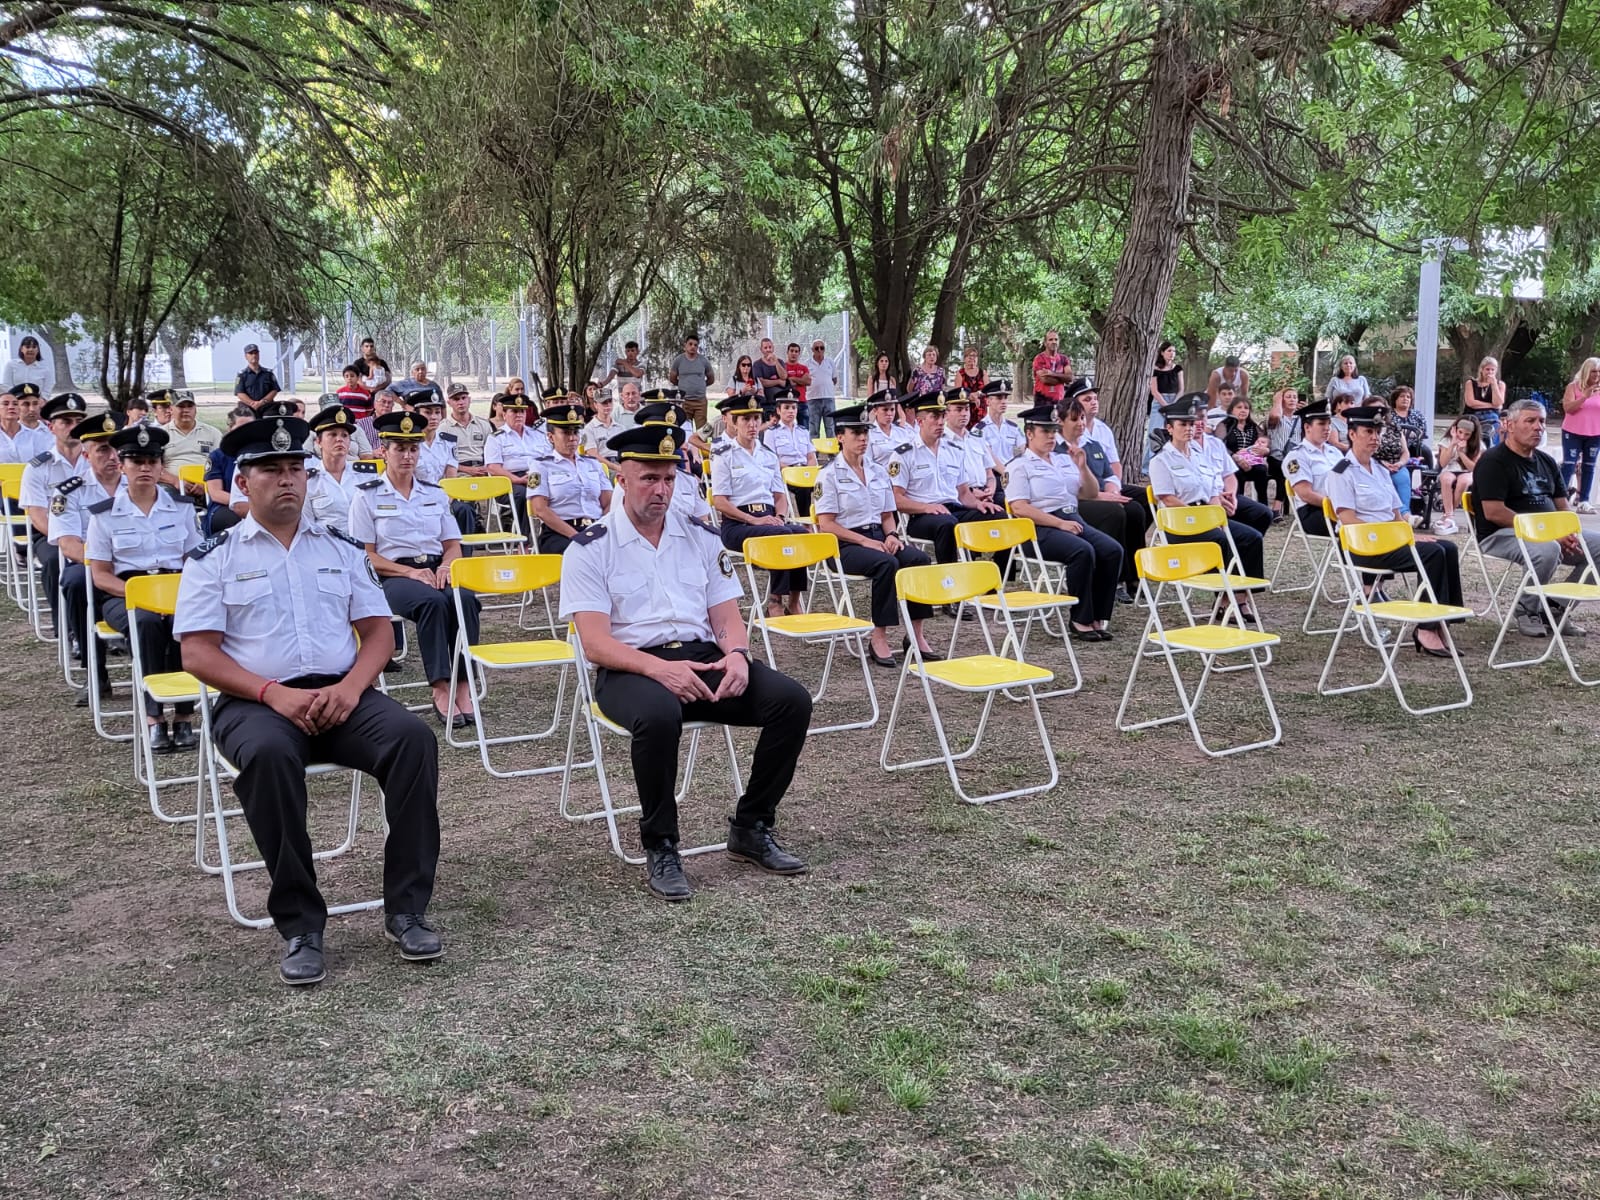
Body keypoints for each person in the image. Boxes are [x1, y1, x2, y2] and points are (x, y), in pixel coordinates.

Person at [175, 412, 443, 985]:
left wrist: (351, 688)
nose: (288, 479)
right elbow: (198, 654)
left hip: (342, 693)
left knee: (414, 740)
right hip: (255, 701)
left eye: (297, 467)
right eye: (272, 469)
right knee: (270, 758)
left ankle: (407, 909)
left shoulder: (340, 549)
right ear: (243, 482)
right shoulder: (214, 557)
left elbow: (379, 633)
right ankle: (301, 924)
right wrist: (272, 694)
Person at [559, 422, 812, 902]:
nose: (662, 490)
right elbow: (594, 643)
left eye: (669, 479)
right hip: (630, 666)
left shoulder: (699, 535)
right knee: (657, 715)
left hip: (702, 659)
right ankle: (662, 845)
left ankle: (752, 826)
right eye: (648, 478)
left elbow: (725, 616)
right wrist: (659, 670)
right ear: (621, 477)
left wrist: (737, 654)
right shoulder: (589, 547)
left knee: (791, 701)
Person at [348, 410, 480, 727]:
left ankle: (464, 681)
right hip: (392, 576)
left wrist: (447, 566)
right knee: (431, 603)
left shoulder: (434, 493)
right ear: (384, 451)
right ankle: (440, 686)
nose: (408, 456)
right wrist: (410, 573)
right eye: (400, 448)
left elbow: (451, 543)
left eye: (413, 448)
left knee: (464, 599)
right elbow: (365, 555)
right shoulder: (366, 496)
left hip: (436, 568)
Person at [85, 424, 201, 752]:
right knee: (147, 622)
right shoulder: (104, 515)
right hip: (125, 593)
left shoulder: (179, 507)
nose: (145, 468)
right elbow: (101, 575)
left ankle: (183, 717)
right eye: (136, 461)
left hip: (174, 589)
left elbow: (193, 559)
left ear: (161, 466)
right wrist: (140, 594)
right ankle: (154, 718)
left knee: (184, 621)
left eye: (152, 461)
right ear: (122, 466)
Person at [1328, 405, 1464, 656]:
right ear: (1352, 434)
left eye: (1377, 432)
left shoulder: (1380, 469)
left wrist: (1409, 535)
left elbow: (1396, 513)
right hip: (1362, 545)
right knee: (1433, 553)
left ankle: (1442, 619)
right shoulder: (1341, 473)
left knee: (1448, 547)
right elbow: (1347, 519)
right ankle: (1426, 628)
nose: (1374, 437)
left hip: (1390, 541)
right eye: (1368, 431)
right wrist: (1398, 538)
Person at [811, 403, 935, 665]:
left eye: (865, 432)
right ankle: (878, 636)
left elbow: (888, 515)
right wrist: (867, 541)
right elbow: (827, 524)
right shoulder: (829, 475)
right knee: (886, 564)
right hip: (844, 545)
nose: (863, 438)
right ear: (840, 437)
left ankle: (915, 633)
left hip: (878, 537)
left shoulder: (878, 471)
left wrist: (892, 536)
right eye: (856, 433)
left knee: (919, 561)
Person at [1471, 399, 1600, 639]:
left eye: (1541, 421)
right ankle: (1526, 608)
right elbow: (1494, 512)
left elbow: (1563, 509)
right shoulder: (1493, 461)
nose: (1538, 427)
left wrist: (1568, 532)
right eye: (1530, 421)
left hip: (1549, 534)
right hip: (1501, 534)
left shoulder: (1547, 462)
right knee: (1548, 549)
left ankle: (1555, 608)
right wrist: (1549, 534)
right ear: (1509, 425)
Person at [1007, 402, 1123, 639]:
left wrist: (1083, 468)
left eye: (1053, 431)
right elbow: (1019, 507)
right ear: (1029, 434)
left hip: (1072, 518)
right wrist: (1058, 523)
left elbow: (1088, 494)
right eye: (1045, 432)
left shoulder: (1062, 459)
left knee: (1112, 550)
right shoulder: (1019, 466)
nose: (1051, 437)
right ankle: (1080, 618)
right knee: (1083, 551)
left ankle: (1098, 617)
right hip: (1038, 529)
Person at [1147, 396, 1264, 624]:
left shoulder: (1200, 455)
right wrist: (1203, 517)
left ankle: (1238, 597)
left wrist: (1216, 510)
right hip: (1180, 521)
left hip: (1207, 515)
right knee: (1221, 541)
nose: (1189, 429)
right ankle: (1225, 597)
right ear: (1169, 428)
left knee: (1252, 538)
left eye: (1191, 424)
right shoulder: (1161, 460)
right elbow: (1168, 498)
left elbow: (1211, 488)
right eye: (1183, 425)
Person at [51, 411, 126, 704]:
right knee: (75, 580)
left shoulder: (144, 488)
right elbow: (69, 545)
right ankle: (96, 673)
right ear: (85, 454)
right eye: (103, 448)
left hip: (140, 567)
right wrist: (105, 566)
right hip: (94, 567)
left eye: (117, 447)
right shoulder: (69, 493)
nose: (113, 455)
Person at [711, 395, 810, 616]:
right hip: (738, 524)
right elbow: (720, 502)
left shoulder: (768, 455)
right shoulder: (724, 455)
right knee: (780, 534)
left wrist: (781, 516)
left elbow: (779, 496)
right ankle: (775, 599)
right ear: (734, 423)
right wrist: (753, 519)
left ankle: (794, 599)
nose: (752, 424)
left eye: (756, 418)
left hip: (770, 519)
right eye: (746, 419)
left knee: (800, 533)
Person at [889, 392, 1002, 563]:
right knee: (947, 524)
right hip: (921, 516)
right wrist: (926, 507)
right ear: (920, 422)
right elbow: (896, 499)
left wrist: (978, 503)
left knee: (998, 515)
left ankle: (997, 577)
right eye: (934, 417)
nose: (941, 422)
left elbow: (963, 493)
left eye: (942, 416)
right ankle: (949, 577)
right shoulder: (904, 454)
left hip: (954, 508)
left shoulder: (954, 450)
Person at [1058, 395, 1149, 604]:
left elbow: (1109, 474)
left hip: (1102, 495)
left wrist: (1113, 491)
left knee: (1135, 510)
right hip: (1076, 500)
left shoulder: (1093, 445)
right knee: (1114, 513)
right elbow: (1065, 487)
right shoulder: (1056, 448)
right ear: (1061, 422)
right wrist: (1101, 496)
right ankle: (1114, 579)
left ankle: (1134, 576)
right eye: (1074, 419)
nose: (1081, 424)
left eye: (1082, 418)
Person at [20, 391, 90, 636]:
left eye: (78, 422)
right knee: (53, 560)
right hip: (51, 533)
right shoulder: (37, 467)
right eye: (66, 422)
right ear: (51, 426)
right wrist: (67, 539)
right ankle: (67, 629)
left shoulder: (97, 461)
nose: (73, 427)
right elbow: (38, 515)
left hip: (95, 531)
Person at [529, 402, 611, 553]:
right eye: (566, 433)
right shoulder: (541, 466)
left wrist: (601, 529)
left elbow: (608, 503)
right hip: (560, 532)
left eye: (576, 432)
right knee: (578, 553)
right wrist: (576, 536)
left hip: (596, 528)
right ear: (551, 437)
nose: (573, 438)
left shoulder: (592, 464)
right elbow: (540, 509)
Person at [484, 390, 550, 540]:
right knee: (524, 494)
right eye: (514, 411)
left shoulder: (537, 435)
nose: (519, 415)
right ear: (505, 414)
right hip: (508, 481)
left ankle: (549, 536)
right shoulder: (496, 438)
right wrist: (517, 479)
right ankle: (525, 541)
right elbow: (493, 467)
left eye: (522, 411)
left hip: (536, 475)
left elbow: (548, 458)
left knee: (558, 490)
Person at [1280, 400, 1345, 535]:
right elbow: (1306, 494)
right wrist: (1337, 505)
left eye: (1329, 424)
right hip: (1314, 511)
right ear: (1307, 427)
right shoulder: (1296, 457)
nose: (1327, 428)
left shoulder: (1335, 453)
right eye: (1321, 424)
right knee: (1356, 523)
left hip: (1340, 506)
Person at [301, 404, 368, 526]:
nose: (339, 439)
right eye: (332, 434)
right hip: (325, 543)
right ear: (319, 442)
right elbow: (308, 525)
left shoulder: (366, 476)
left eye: (344, 435)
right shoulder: (308, 481)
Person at [155, 390, 223, 506]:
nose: (186, 410)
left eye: (189, 406)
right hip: (172, 486)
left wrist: (206, 483)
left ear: (195, 409)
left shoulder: (212, 433)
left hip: (209, 485)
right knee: (164, 495)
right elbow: (153, 466)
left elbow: (222, 464)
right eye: (180, 406)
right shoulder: (160, 434)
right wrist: (176, 481)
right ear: (171, 409)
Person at [762, 387, 817, 514]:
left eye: (794, 407)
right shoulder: (771, 433)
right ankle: (807, 524)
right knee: (802, 489)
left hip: (805, 471)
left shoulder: (803, 431)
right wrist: (791, 471)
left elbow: (811, 456)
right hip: (785, 472)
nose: (791, 411)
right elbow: (772, 459)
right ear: (778, 410)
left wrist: (809, 471)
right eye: (786, 407)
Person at [203, 404, 256, 535]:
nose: (245, 433)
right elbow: (216, 493)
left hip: (258, 505)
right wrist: (247, 505)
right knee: (237, 521)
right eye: (240, 429)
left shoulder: (260, 455)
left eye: (250, 428)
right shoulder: (217, 456)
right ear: (230, 429)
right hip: (225, 506)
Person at [1559, 356, 1600, 513]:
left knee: (1589, 466)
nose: (1596, 375)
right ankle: (1560, 500)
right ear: (1586, 372)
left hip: (1595, 433)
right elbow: (1568, 408)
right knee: (1569, 465)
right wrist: (1585, 397)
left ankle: (1584, 500)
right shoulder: (1573, 387)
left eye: (1599, 372)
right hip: (1573, 431)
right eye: (1593, 372)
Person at [1220, 395, 1271, 507]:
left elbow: (1265, 442)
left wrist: (1266, 450)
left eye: (1246, 408)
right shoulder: (1224, 425)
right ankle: (1239, 507)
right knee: (1237, 473)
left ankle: (1264, 507)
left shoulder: (1253, 427)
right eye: (1239, 407)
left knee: (1262, 470)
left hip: (1252, 461)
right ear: (1232, 410)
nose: (1243, 410)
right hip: (1232, 462)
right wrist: (1235, 457)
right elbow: (1219, 446)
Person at [1432, 416, 1481, 534]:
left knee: (1463, 482)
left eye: (1467, 434)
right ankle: (1449, 516)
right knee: (1446, 479)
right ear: (1455, 429)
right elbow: (1443, 463)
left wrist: (1461, 453)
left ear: (1472, 434)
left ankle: (1448, 516)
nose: (1462, 437)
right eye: (1460, 432)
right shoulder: (1447, 441)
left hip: (1467, 471)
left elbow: (1474, 468)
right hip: (1449, 469)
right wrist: (1453, 444)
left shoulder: (1476, 444)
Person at [1266, 388, 1303, 517]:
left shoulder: (1300, 419)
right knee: (1287, 470)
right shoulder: (1277, 417)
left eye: (1294, 397)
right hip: (1277, 458)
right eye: (1288, 397)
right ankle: (1276, 509)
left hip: (1296, 458)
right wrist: (1277, 401)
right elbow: (1275, 416)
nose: (1292, 399)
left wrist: (1306, 410)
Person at [972, 380, 1023, 472]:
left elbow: (1025, 449)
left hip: (1010, 472)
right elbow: (988, 456)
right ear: (988, 401)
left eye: (1005, 398)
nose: (1003, 402)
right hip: (991, 475)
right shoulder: (979, 430)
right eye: (999, 398)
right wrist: (1007, 475)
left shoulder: (1013, 427)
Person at [441, 383, 494, 473]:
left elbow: (492, 452)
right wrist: (468, 470)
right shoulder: (443, 428)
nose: (461, 402)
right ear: (449, 402)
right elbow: (441, 458)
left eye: (463, 398)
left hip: (483, 471)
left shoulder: (483, 425)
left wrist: (486, 468)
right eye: (456, 399)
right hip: (457, 473)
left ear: (469, 400)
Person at [668, 333, 715, 428]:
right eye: (690, 344)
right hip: (685, 401)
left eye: (695, 345)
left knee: (701, 432)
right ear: (685, 345)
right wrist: (683, 386)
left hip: (700, 402)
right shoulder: (678, 360)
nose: (693, 346)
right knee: (685, 429)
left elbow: (711, 378)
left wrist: (700, 385)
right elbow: (672, 378)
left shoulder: (703, 361)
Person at [1464, 355, 1506, 448]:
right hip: (1473, 415)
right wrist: (1491, 405)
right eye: (1487, 369)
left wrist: (1494, 385)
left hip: (1492, 417)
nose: (1490, 372)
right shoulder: (1471, 383)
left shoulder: (1500, 384)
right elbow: (1470, 402)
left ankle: (1492, 450)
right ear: (1481, 370)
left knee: (1497, 428)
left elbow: (1498, 403)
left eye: (1492, 370)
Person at [1390, 386, 1432, 467]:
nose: (1405, 399)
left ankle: (1429, 476)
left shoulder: (1417, 415)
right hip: (1394, 445)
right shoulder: (1389, 415)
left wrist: (1409, 434)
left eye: (1408, 397)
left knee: (1426, 451)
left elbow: (1423, 432)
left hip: (1414, 446)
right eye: (1402, 396)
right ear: (1395, 399)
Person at [233, 344, 281, 408]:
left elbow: (274, 390)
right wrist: (252, 404)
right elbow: (240, 393)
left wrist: (262, 402)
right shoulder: (241, 375)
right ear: (246, 356)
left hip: (267, 407)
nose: (254, 355)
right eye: (251, 353)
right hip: (248, 408)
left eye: (256, 353)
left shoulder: (268, 373)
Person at [806, 339, 836, 437]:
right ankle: (814, 451)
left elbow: (834, 379)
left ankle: (832, 451)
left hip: (828, 398)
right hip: (812, 399)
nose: (819, 350)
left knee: (831, 427)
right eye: (816, 348)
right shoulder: (807, 364)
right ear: (812, 350)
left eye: (822, 348)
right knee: (813, 428)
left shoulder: (830, 362)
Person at [1031, 331, 1071, 404]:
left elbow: (1070, 378)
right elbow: (1046, 380)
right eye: (1050, 339)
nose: (1054, 342)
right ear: (1045, 343)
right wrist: (1063, 379)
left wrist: (1052, 374)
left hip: (1059, 400)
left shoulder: (1064, 359)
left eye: (1056, 339)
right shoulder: (1039, 358)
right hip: (1042, 400)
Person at [865, 389, 901, 466]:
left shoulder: (902, 432)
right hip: (880, 476)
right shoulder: (869, 434)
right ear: (875, 411)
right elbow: (867, 463)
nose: (889, 413)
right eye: (885, 410)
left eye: (892, 409)